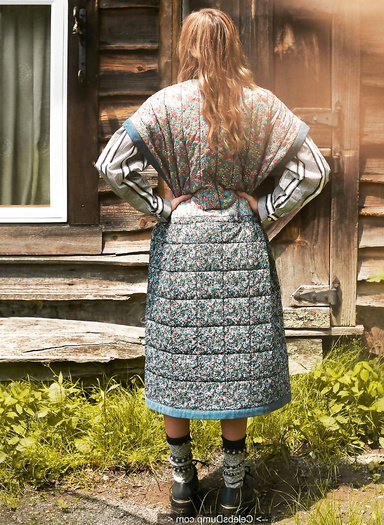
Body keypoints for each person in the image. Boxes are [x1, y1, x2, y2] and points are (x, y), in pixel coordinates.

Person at [96, 8, 330, 516]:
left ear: (188, 47)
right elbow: (314, 170)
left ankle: (183, 488)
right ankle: (232, 491)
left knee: (177, 364)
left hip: (182, 244)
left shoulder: (165, 103)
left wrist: (160, 207)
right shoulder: (259, 103)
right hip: (240, 242)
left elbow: (111, 164)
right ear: (232, 45)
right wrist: (266, 207)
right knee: (234, 367)